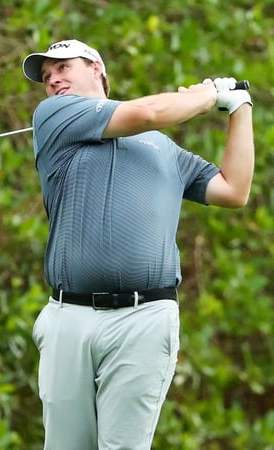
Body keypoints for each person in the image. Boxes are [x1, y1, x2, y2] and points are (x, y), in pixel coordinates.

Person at [22, 39, 254, 449]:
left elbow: (233, 190)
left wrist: (239, 107)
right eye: (46, 76)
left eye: (63, 67)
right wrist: (206, 96)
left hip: (145, 318)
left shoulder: (164, 148)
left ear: (96, 69)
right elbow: (147, 112)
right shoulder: (54, 115)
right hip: (69, 316)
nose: (53, 79)